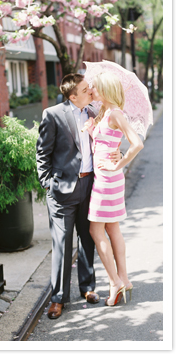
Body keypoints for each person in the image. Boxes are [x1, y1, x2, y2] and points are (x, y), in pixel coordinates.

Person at [36, 73, 120, 320]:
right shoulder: (53, 114)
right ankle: (58, 298)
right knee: (62, 245)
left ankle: (88, 288)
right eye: (86, 89)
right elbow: (42, 153)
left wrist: (117, 154)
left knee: (88, 238)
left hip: (91, 185)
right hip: (62, 189)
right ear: (73, 96)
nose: (91, 91)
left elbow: (106, 141)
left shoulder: (94, 112)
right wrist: (48, 184)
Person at [85, 72, 143, 306]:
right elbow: (103, 142)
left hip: (107, 179)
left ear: (106, 90)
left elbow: (137, 143)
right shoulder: (105, 113)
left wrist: (119, 163)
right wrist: (92, 130)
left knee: (96, 231)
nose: (92, 91)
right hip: (107, 177)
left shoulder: (116, 113)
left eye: (96, 88)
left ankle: (115, 281)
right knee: (113, 228)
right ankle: (123, 280)